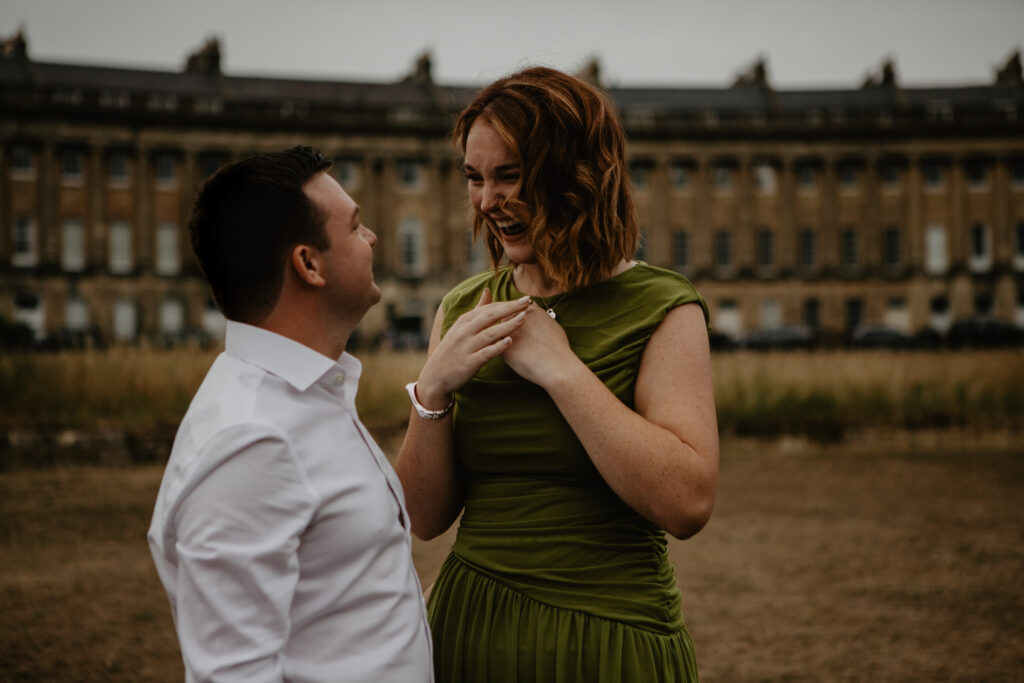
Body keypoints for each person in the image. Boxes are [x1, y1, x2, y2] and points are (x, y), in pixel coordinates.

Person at [395, 67, 720, 682]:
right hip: (470, 632)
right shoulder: (465, 309)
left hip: (612, 642)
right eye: (474, 178)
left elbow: (687, 503)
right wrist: (432, 391)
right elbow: (422, 516)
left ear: (576, 172)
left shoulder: (665, 308)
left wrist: (562, 370)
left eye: (509, 175)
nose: (488, 201)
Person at [148, 146, 433, 682]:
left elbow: (339, 600)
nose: (372, 238)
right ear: (308, 263)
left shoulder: (312, 393)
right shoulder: (252, 440)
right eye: (355, 227)